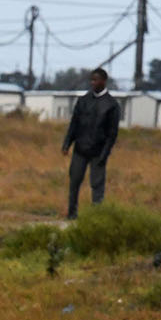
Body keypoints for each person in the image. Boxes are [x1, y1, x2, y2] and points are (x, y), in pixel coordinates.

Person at [62, 67, 121, 220]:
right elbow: (74, 124)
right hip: (80, 149)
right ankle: (71, 214)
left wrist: (105, 154)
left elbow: (112, 134)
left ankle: (96, 217)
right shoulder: (83, 101)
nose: (93, 83)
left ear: (103, 81)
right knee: (74, 182)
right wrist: (67, 143)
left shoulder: (111, 105)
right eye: (91, 80)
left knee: (97, 185)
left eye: (96, 80)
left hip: (98, 152)